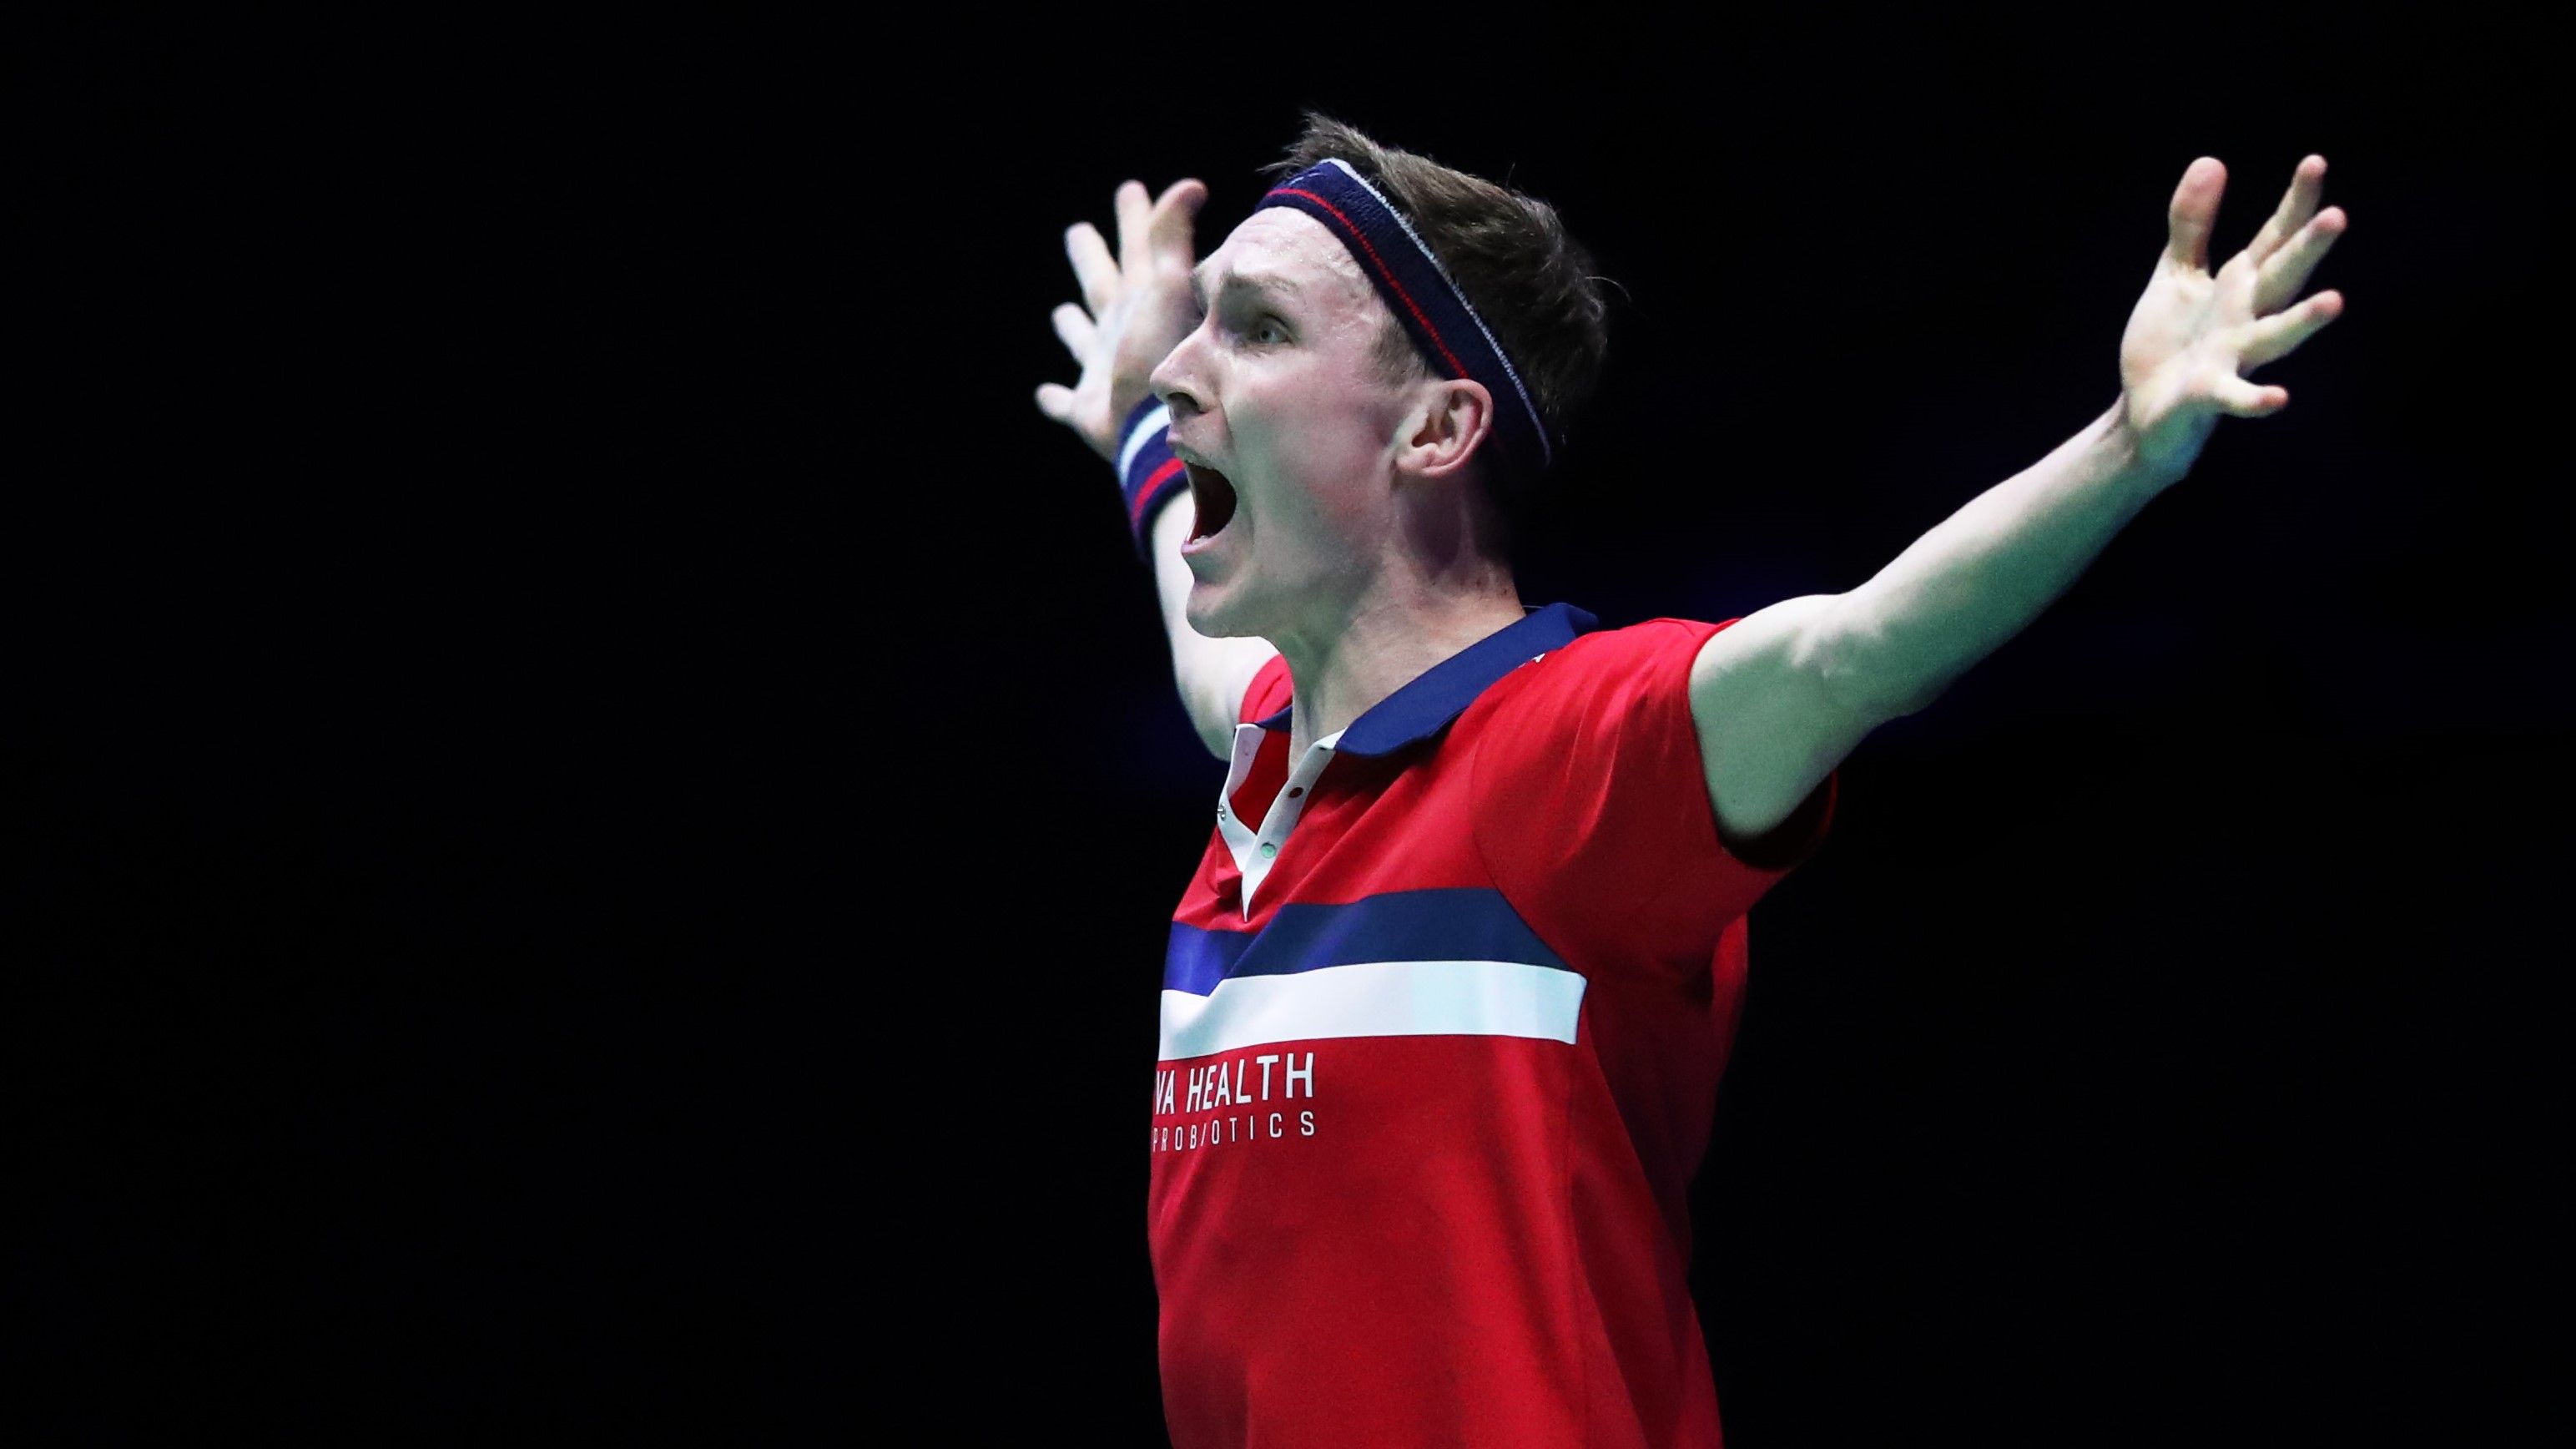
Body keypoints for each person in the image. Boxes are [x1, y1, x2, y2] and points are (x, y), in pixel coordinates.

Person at [1035, 111, 2345, 1448]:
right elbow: (1212, 686)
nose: (1189, 366)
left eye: (1254, 329)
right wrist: (1139, 433)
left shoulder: (1571, 752)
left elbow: (1858, 648)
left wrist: (2131, 445)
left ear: (1436, 428)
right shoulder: (1265, 760)